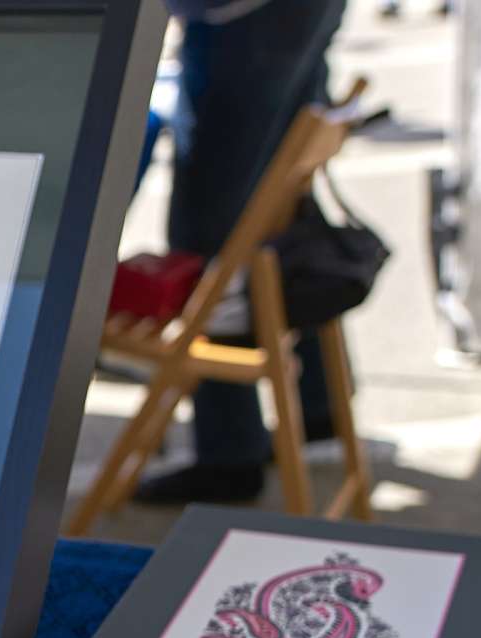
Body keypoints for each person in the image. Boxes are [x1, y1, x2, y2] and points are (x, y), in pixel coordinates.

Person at [135, 0, 349, 505]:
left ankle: (229, 454)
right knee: (275, 206)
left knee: (211, 237)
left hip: (239, 17)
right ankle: (315, 406)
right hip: (276, 16)